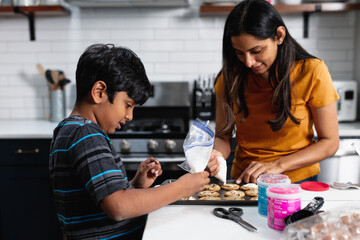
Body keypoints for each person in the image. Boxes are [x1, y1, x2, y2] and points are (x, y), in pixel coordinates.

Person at [49, 44, 213, 240]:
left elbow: (102, 198)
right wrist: (180, 188)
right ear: (99, 92)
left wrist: (136, 185)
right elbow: (118, 206)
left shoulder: (70, 130)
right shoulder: (86, 134)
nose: (130, 116)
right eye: (128, 105)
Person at [209, 0, 340, 184]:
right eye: (239, 53)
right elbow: (223, 135)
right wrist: (216, 155)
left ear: (279, 36)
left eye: (257, 51)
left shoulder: (312, 72)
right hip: (245, 181)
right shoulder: (229, 78)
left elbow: (330, 142)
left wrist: (277, 165)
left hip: (297, 182)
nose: (248, 62)